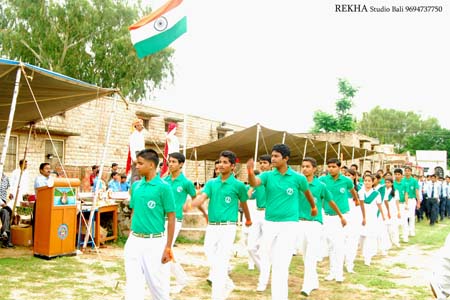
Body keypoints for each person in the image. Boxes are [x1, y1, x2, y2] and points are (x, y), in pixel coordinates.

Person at [247, 144, 317, 300]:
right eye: (272, 156)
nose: (272, 159)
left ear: (286, 158)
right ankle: (265, 284)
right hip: (269, 223)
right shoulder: (268, 176)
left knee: (281, 263)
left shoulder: (298, 178)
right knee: (267, 257)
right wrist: (250, 172)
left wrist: (313, 207)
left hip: (289, 225)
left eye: (276, 156)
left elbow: (308, 193)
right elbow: (254, 183)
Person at [192, 150, 252, 300]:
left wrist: (248, 219)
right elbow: (203, 197)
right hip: (212, 225)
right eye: (219, 162)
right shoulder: (212, 183)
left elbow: (243, 203)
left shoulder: (238, 185)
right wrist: (193, 203)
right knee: (209, 252)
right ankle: (228, 282)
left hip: (228, 226)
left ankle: (217, 295)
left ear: (233, 166)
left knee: (222, 258)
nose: (221, 165)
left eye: (225, 162)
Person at [124, 149, 176, 300]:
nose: (137, 167)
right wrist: (131, 236)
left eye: (140, 163)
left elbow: (171, 217)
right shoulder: (136, 186)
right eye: (136, 163)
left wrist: (168, 246)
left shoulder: (164, 187)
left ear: (152, 165)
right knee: (133, 285)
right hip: (134, 241)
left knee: (158, 287)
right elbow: (134, 211)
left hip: (154, 242)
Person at [297, 157, 346, 297]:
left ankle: (307, 286)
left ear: (314, 169)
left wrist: (341, 216)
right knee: (305, 254)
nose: (304, 168)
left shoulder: (320, 185)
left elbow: (330, 201)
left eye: (307, 166)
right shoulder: (298, 184)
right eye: (303, 166)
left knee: (311, 255)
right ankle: (314, 281)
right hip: (299, 222)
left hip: (315, 223)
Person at [320, 158, 365, 283]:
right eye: (329, 166)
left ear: (339, 168)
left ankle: (339, 273)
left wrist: (356, 200)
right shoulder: (323, 180)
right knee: (330, 244)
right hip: (327, 215)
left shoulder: (346, 180)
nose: (331, 169)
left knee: (339, 244)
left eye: (333, 166)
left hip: (342, 217)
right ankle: (331, 272)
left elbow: (353, 191)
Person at [163, 152, 197, 293]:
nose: (170, 164)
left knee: (166, 249)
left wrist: (188, 205)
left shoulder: (186, 182)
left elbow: (196, 197)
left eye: (174, 161)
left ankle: (180, 279)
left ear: (181, 164)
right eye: (169, 161)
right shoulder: (164, 180)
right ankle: (176, 279)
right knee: (162, 250)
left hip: (175, 219)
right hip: (160, 219)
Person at [246, 154, 271, 282]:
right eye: (260, 162)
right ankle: (264, 270)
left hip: (270, 215)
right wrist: (251, 185)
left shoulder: (274, 178)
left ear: (271, 165)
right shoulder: (257, 180)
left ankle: (265, 276)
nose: (262, 165)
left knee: (265, 247)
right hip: (258, 213)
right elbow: (248, 196)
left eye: (265, 163)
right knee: (251, 247)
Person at [402, 166, 421, 237]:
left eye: (408, 171)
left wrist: (418, 202)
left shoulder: (414, 181)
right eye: (406, 170)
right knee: (404, 216)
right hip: (404, 201)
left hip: (412, 200)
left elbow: (417, 192)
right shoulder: (402, 180)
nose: (407, 172)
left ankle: (412, 231)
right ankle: (405, 231)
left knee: (411, 216)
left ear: (411, 172)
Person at [393, 168, 409, 243]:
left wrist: (406, 204)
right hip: (394, 205)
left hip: (402, 204)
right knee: (395, 222)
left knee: (404, 221)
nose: (397, 176)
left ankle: (405, 236)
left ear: (401, 175)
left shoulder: (405, 184)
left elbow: (406, 194)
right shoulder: (393, 184)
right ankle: (395, 238)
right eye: (396, 174)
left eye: (398, 174)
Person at [129, 119, 145, 185]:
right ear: (137, 126)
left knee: (142, 171)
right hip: (136, 154)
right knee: (136, 172)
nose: (141, 126)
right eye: (140, 125)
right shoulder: (133, 135)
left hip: (142, 154)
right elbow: (132, 147)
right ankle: (134, 187)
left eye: (141, 125)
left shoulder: (141, 135)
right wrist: (134, 158)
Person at [0, 172, 14, 248]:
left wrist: (10, 194)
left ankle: (5, 234)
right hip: (1, 203)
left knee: (6, 212)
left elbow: (8, 190)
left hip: (3, 204)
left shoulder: (5, 178)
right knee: (6, 211)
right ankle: (6, 239)